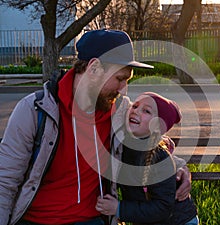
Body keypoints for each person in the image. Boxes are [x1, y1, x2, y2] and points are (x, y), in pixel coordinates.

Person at [0, 29, 191, 225]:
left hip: (92, 219)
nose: (123, 89)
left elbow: (149, 140)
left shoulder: (119, 110)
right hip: (37, 220)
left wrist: (178, 167)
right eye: (119, 79)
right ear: (93, 68)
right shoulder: (35, 110)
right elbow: (5, 181)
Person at [96, 92, 199, 225]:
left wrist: (119, 209)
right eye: (135, 106)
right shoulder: (124, 145)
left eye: (146, 111)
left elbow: (163, 207)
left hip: (177, 220)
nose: (136, 111)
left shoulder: (159, 157)